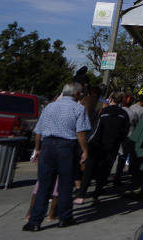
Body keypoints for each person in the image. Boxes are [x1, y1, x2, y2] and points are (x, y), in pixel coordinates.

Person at [23, 83, 91, 231]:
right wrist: (85, 150)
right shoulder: (78, 108)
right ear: (76, 94)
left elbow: (39, 131)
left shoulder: (49, 107)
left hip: (47, 145)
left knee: (44, 184)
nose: (81, 95)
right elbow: (81, 133)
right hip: (66, 146)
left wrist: (37, 148)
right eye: (81, 93)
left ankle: (34, 221)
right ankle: (64, 217)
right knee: (65, 184)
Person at [76, 92, 129, 204]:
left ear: (110, 99)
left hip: (97, 144)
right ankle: (96, 195)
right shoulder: (124, 114)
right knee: (104, 171)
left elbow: (96, 128)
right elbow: (125, 132)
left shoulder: (103, 112)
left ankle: (81, 195)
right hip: (112, 146)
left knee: (89, 169)